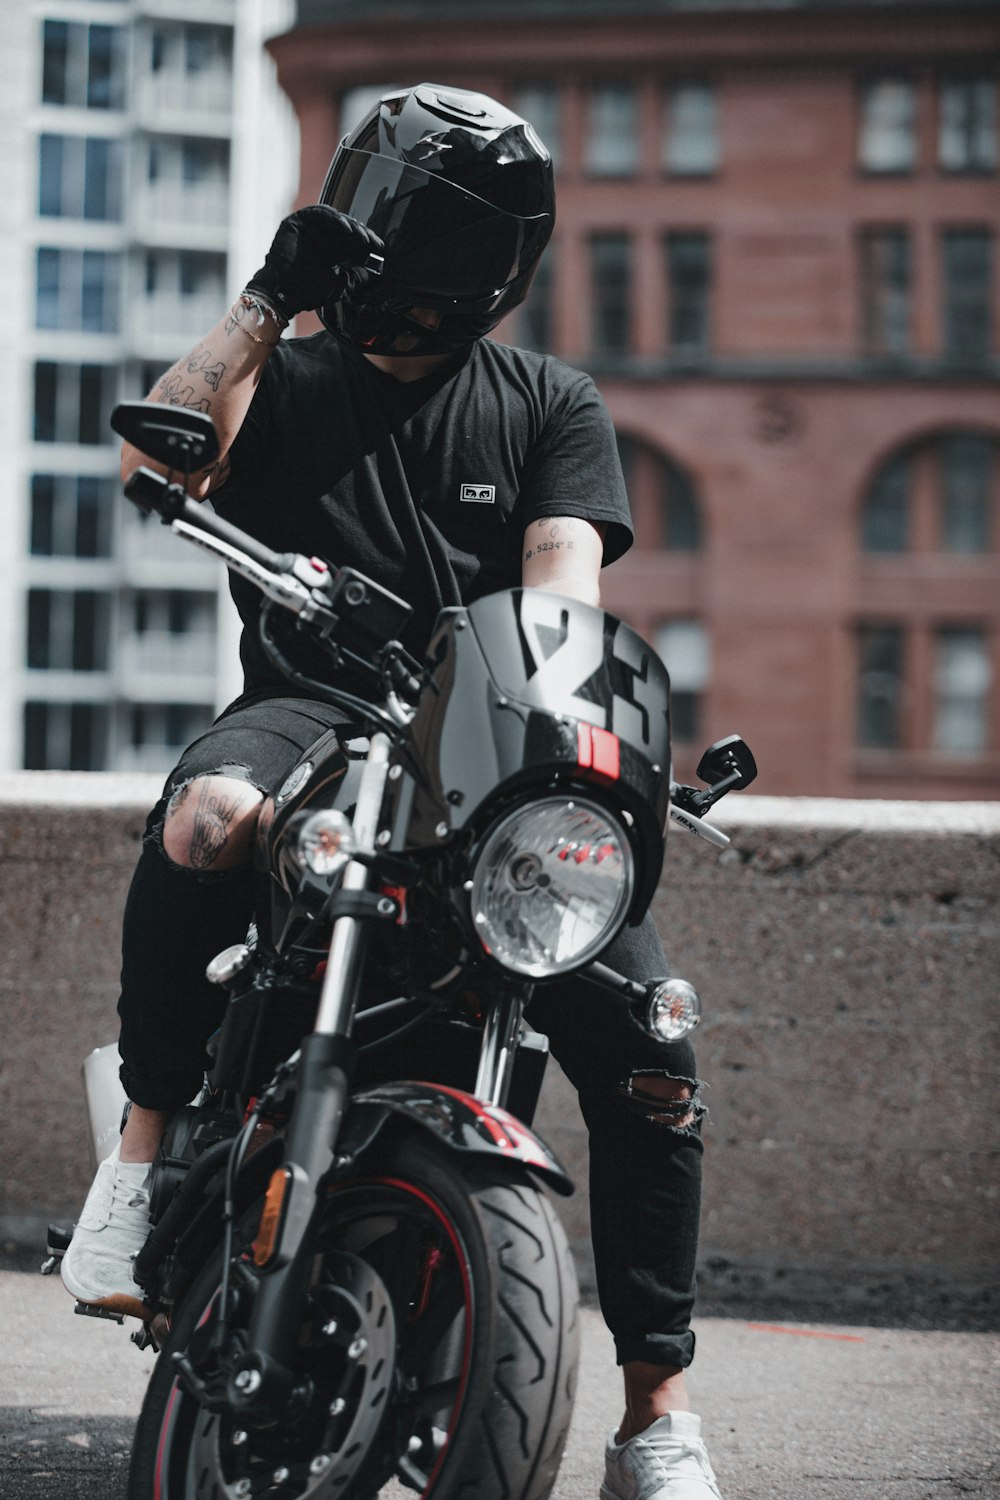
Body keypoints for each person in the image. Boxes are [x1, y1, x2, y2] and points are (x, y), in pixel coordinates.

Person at [60, 84, 723, 1500]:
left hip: (483, 734)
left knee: (650, 1037)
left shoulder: (549, 402)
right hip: (309, 704)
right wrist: (260, 301)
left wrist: (562, 722)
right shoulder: (284, 374)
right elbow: (154, 454)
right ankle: (140, 1153)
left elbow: (561, 583)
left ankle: (657, 1414)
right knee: (206, 820)